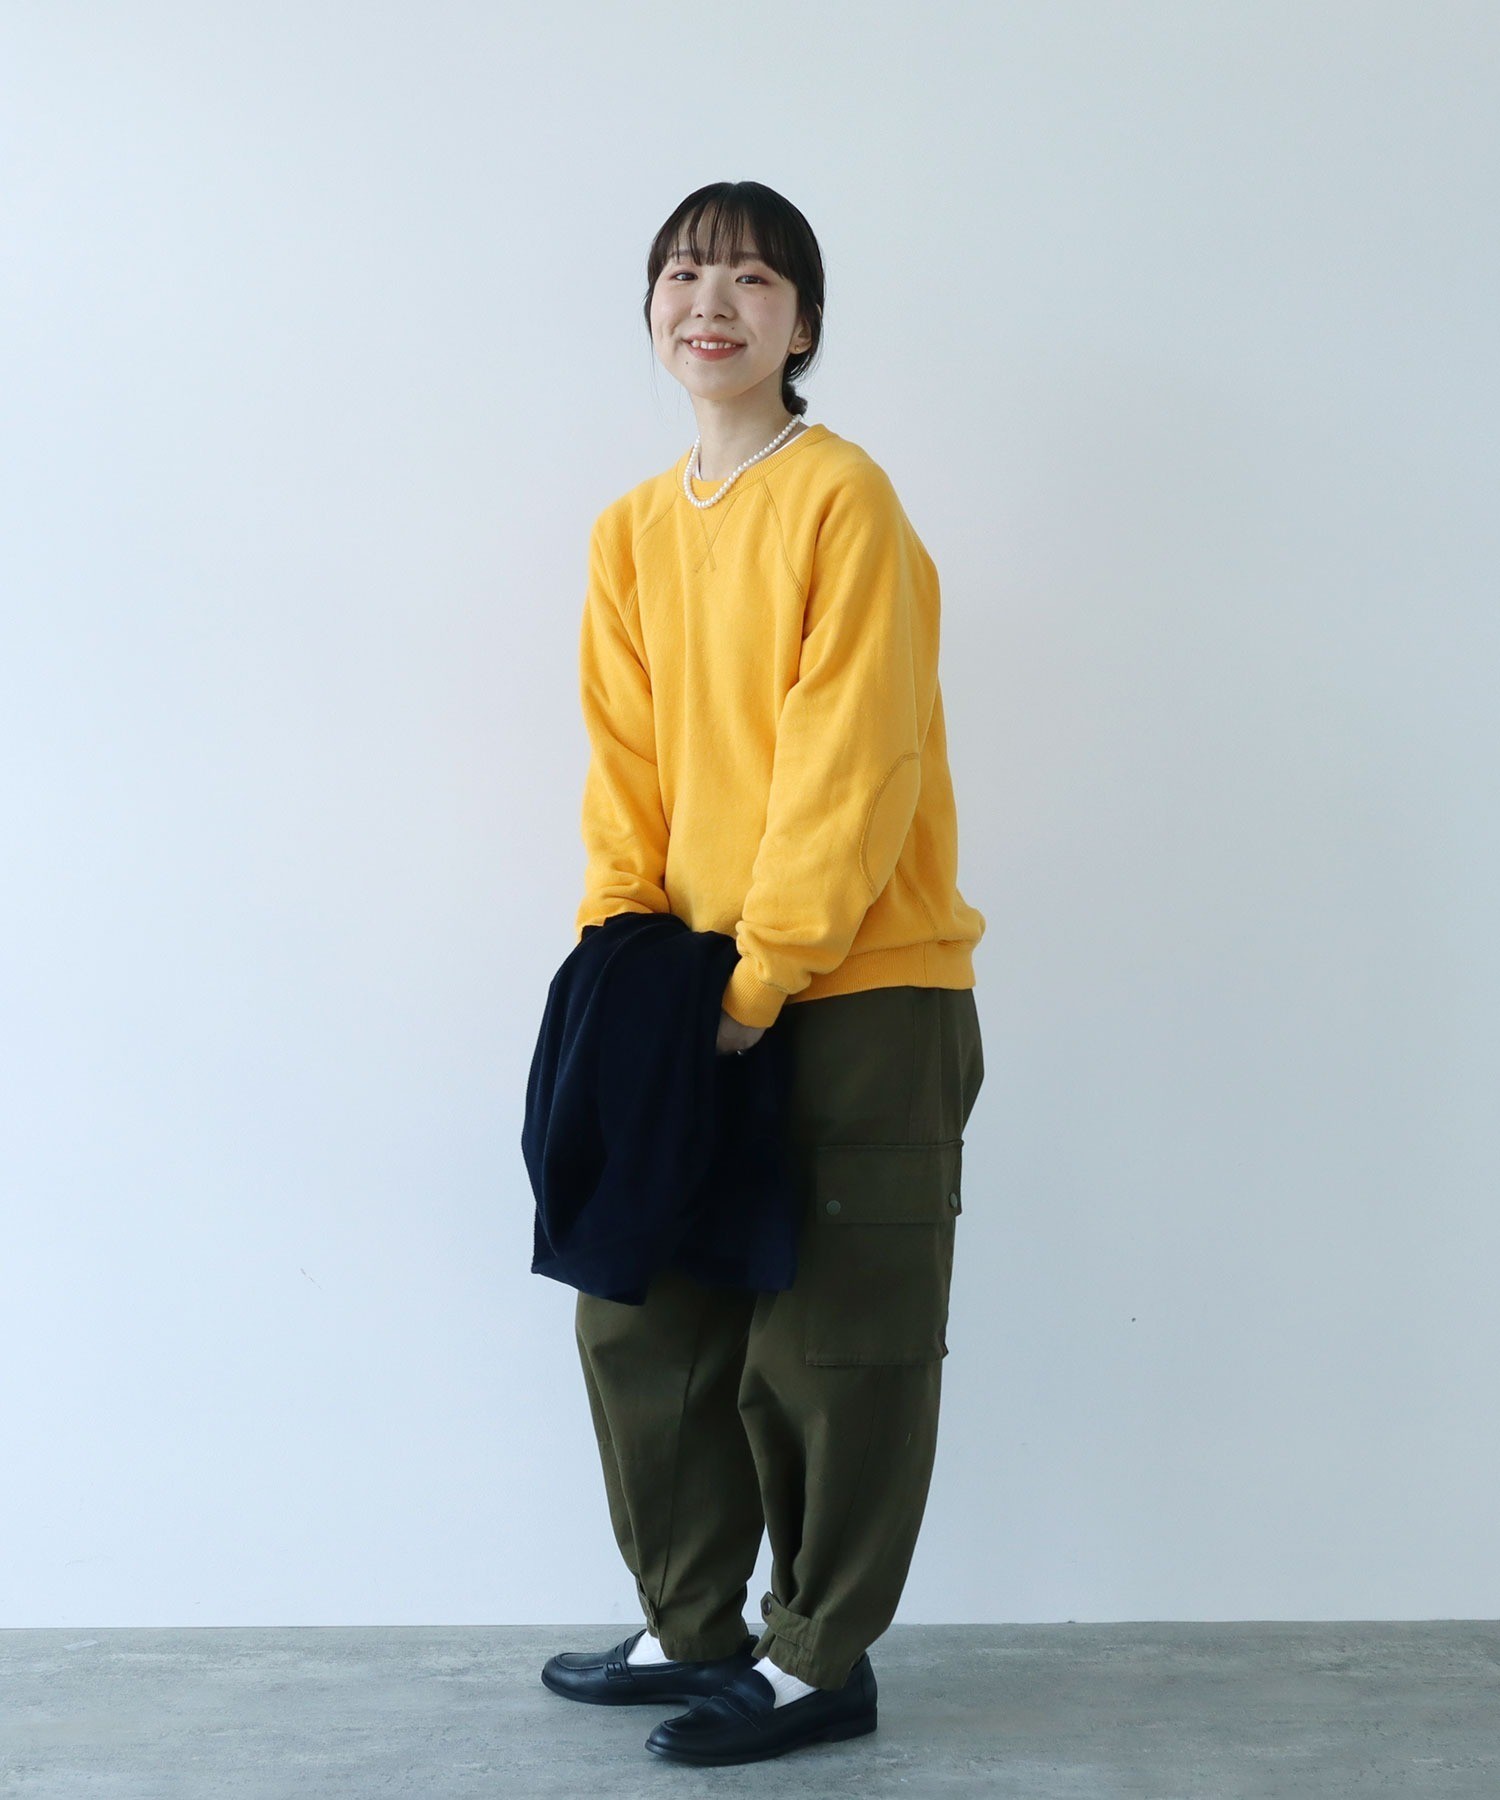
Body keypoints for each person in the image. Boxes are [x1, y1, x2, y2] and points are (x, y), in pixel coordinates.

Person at [539, 180, 987, 1767]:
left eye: (750, 277)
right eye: (682, 274)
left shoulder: (842, 500)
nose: (709, 302)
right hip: (679, 986)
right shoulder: (630, 530)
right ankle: (692, 1627)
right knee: (645, 1322)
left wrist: (762, 979)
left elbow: (851, 766)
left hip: (861, 989)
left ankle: (818, 1660)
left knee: (831, 1346)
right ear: (651, 311)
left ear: (804, 322)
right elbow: (624, 769)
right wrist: (624, 954)